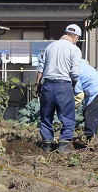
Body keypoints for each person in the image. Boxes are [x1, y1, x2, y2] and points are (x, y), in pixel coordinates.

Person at [35, 24, 82, 153]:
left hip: (48, 85)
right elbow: (75, 73)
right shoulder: (75, 50)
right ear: (76, 37)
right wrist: (72, 86)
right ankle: (63, 146)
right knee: (67, 116)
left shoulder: (50, 46)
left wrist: (38, 84)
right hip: (64, 85)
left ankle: (46, 145)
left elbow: (41, 67)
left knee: (46, 115)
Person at [74, 59, 98, 143]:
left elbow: (79, 95)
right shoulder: (79, 62)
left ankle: (91, 142)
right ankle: (92, 139)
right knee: (92, 114)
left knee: (90, 115)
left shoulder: (74, 71)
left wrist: (72, 109)